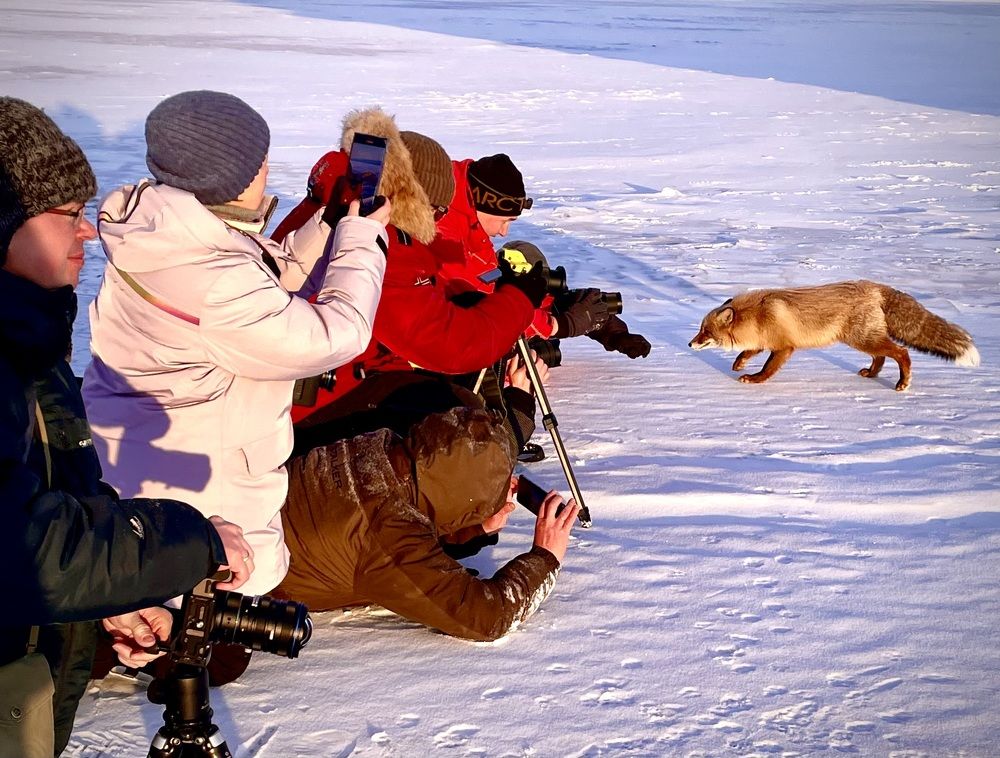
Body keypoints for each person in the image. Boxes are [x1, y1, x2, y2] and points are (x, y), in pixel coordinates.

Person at [0, 97, 253, 758]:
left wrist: (109, 594)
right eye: (65, 214)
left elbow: (61, 499)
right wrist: (190, 540)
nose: (87, 233)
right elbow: (18, 549)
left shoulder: (32, 345)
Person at [81, 90, 390, 597]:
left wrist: (331, 224)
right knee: (210, 625)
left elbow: (263, 278)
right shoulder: (215, 280)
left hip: (152, 468)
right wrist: (362, 238)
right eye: (260, 161)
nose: (267, 169)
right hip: (206, 499)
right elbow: (336, 334)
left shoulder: (164, 229)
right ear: (233, 176)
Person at [270, 108, 549, 451]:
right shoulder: (381, 239)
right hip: (301, 414)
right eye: (438, 210)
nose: (438, 221)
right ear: (415, 200)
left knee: (432, 393)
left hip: (304, 389)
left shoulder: (337, 205)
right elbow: (451, 346)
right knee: (453, 420)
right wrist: (520, 299)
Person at [274, 406, 580, 641]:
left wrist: (475, 527)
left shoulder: (378, 448)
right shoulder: (387, 533)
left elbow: (408, 519)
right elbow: (485, 617)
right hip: (256, 593)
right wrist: (544, 556)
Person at [432, 154, 651, 358]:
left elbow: (489, 290)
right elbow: (482, 313)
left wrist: (606, 328)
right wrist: (558, 325)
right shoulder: (445, 236)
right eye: (504, 220)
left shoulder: (467, 225)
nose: (504, 232)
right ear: (486, 204)